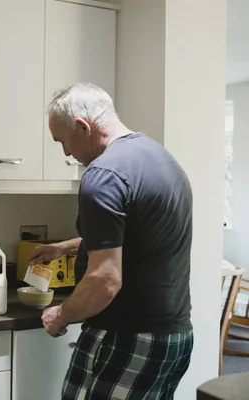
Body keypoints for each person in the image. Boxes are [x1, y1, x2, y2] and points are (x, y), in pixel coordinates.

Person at [29, 83, 194, 399]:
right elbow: (134, 235)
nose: (65, 152)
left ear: (82, 126)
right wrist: (63, 247)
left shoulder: (103, 173)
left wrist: (60, 315)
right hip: (174, 335)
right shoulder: (161, 159)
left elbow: (105, 279)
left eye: (63, 140)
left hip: (127, 335)